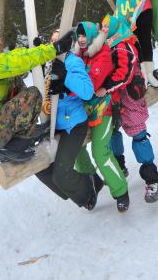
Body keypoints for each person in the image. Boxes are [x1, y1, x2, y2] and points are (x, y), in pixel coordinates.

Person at [0, 23, 73, 163]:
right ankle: (14, 147)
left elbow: (11, 58)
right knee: (33, 95)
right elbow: (13, 62)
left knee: (12, 79)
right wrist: (54, 49)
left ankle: (18, 136)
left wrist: (34, 51)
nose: (1, 42)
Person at [100, 14, 158, 203]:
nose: (104, 30)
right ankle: (120, 166)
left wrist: (106, 86)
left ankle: (151, 179)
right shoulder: (109, 45)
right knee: (112, 133)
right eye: (103, 26)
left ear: (116, 28)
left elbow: (123, 75)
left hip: (130, 98)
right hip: (115, 99)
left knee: (139, 136)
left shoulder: (124, 45)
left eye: (107, 27)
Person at [73, 22, 130, 212]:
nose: (81, 39)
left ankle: (120, 190)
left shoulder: (102, 55)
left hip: (103, 109)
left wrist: (69, 80)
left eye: (84, 36)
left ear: (91, 36)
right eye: (78, 36)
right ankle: (90, 183)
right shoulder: (79, 55)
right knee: (75, 147)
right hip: (81, 109)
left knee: (100, 152)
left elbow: (89, 85)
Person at [35, 52, 101, 210]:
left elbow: (86, 91)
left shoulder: (73, 61)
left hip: (74, 124)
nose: (55, 42)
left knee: (61, 175)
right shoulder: (48, 63)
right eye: (52, 39)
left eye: (58, 38)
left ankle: (88, 189)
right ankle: (70, 190)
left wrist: (65, 76)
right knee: (38, 166)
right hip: (53, 125)